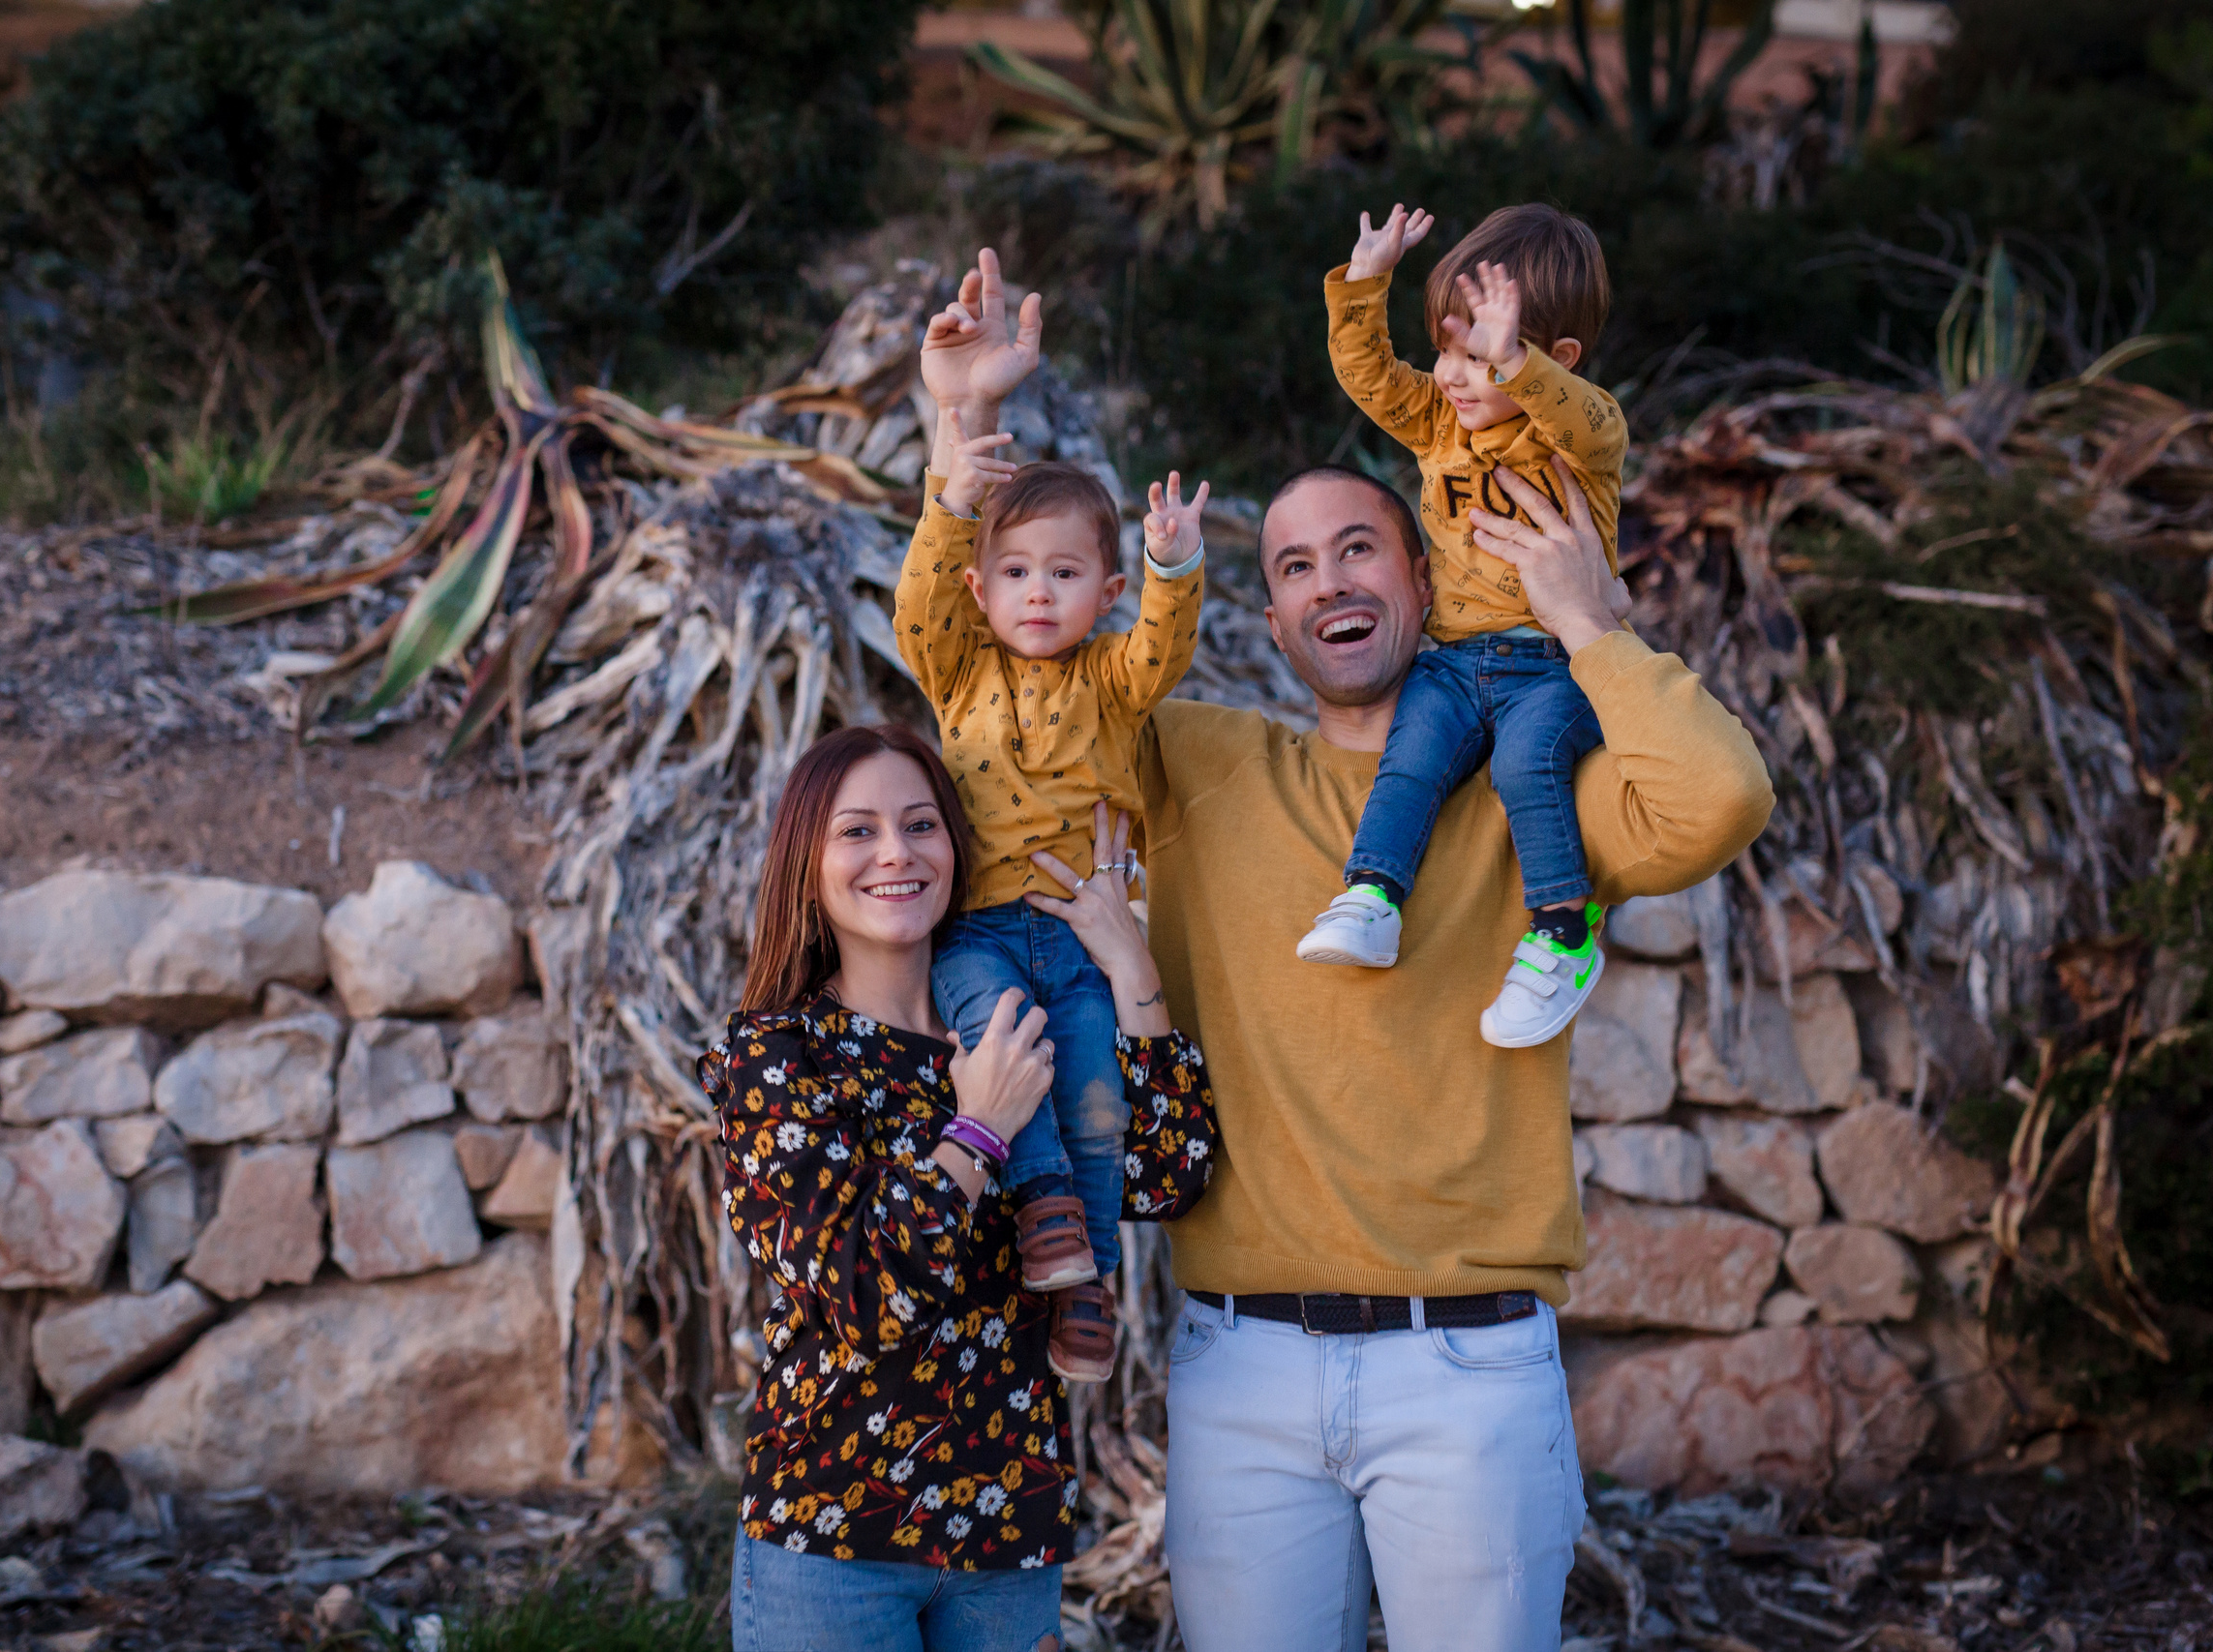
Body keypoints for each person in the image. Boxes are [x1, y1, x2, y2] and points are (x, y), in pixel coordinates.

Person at [905, 246, 1771, 1649]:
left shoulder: (1527, 792)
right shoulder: (1183, 763)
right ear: (1267, 619)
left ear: (1425, 579)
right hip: (1240, 1360)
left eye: (1358, 546)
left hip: (1469, 1363)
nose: (1328, 580)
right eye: (1294, 564)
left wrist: (1589, 620)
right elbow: (981, 661)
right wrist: (959, 425)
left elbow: (1719, 798)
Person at [702, 723, 1218, 1652]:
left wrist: (1126, 961)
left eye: (921, 825)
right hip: (833, 1539)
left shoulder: (1022, 1035)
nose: (895, 853)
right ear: (806, 865)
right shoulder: (778, 1055)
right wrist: (975, 1130)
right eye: (857, 831)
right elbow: (864, 1297)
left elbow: (1174, 1168)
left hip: (1008, 1532)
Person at [898, 254, 1210, 1383]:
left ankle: (1086, 1294)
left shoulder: (1114, 680)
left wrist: (1175, 565)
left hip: (1084, 935)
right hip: (980, 928)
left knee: (1090, 1092)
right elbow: (921, 594)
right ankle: (1046, 1225)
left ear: (1105, 589)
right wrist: (951, 496)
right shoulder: (956, 670)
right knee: (1001, 1056)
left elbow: (1165, 647)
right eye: (1017, 571)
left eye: (1067, 572)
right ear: (980, 593)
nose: (1039, 591)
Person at [1296, 202, 1633, 1052]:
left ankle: (1563, 930)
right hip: (1451, 662)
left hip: (1556, 666)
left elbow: (1587, 416)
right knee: (1410, 760)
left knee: (1528, 766)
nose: (1451, 371)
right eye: (1448, 346)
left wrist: (1514, 365)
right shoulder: (1441, 421)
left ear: (1551, 361)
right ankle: (1372, 895)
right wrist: (1366, 284)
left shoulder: (1580, 444)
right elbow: (1370, 375)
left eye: (1478, 356)